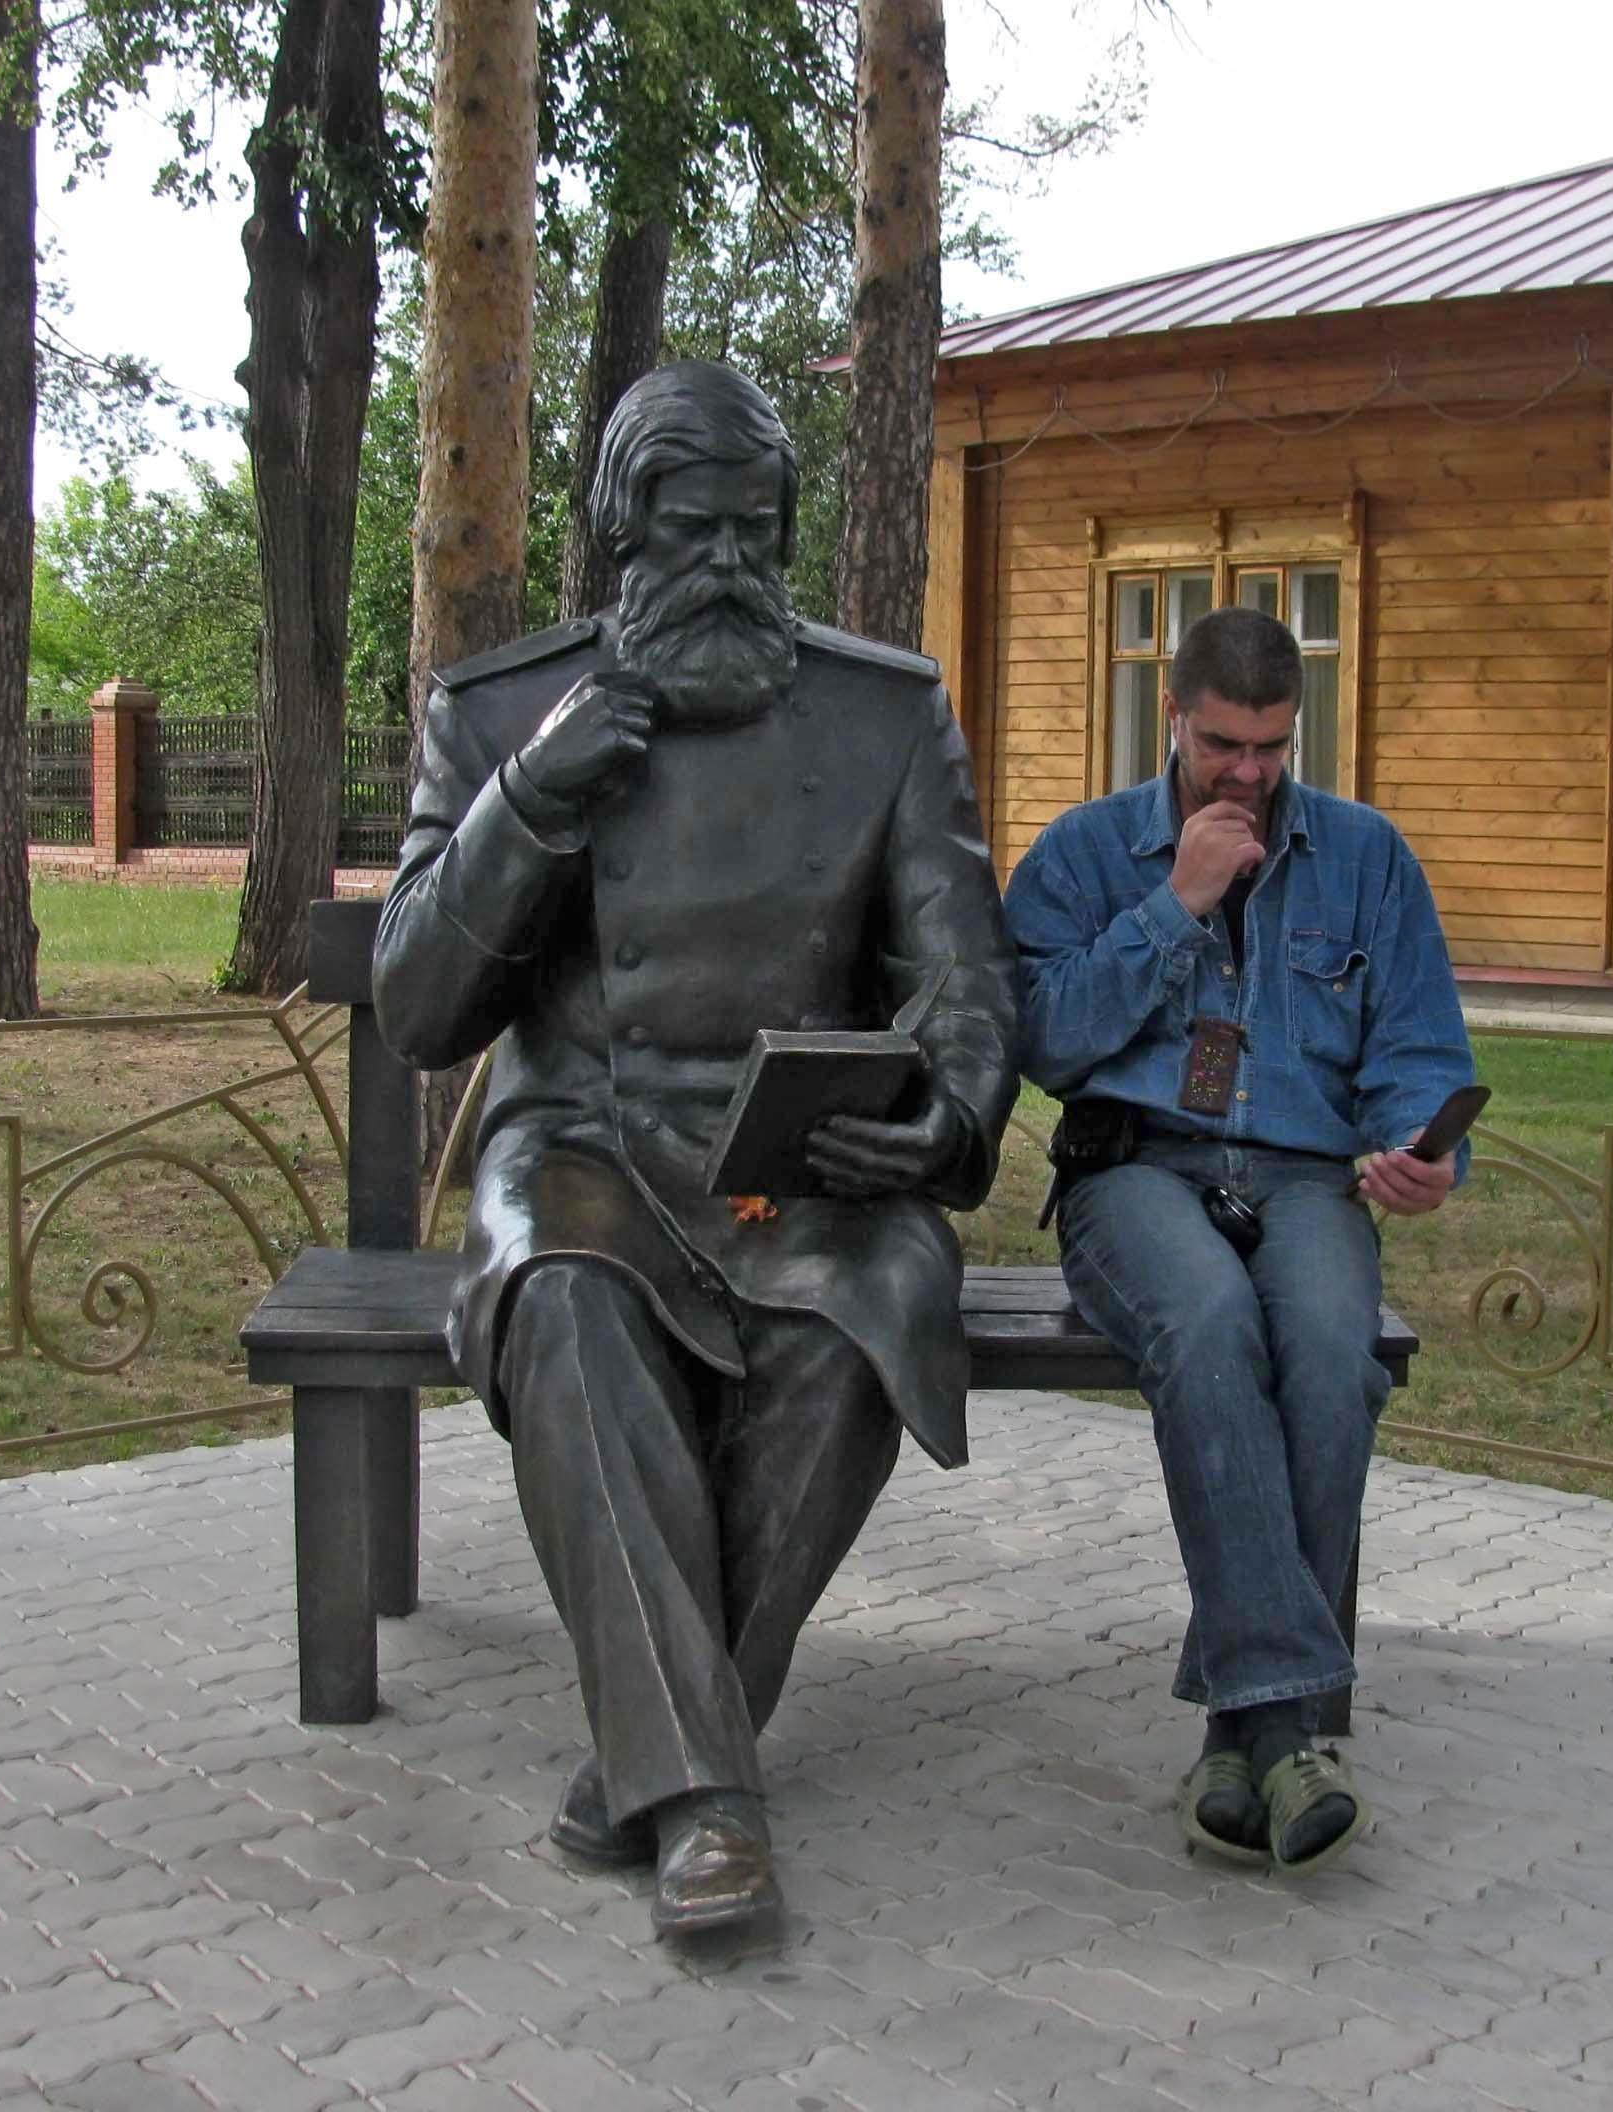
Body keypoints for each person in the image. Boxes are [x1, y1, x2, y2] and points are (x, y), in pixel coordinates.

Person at [372, 362, 1018, 1941]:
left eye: (754, 531)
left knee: (869, 1309)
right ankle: (713, 1802)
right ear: (618, 534)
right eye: (687, 533)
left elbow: (961, 974)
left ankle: (647, 1756)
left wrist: (945, 1110)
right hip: (584, 1142)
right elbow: (415, 1007)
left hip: (803, 1162)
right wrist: (526, 807)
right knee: (570, 1302)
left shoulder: (882, 714)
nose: (725, 566)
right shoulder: (503, 713)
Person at [1001, 603, 1472, 1875]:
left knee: (1328, 1346)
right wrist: (1174, 904)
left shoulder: (1368, 859)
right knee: (1207, 1324)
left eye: (1271, 746)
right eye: (1223, 745)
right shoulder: (1087, 852)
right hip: (1133, 1172)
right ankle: (1296, 1721)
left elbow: (1418, 1050)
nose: (1249, 774)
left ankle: (1244, 1734)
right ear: (1173, 716)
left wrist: (1424, 1152)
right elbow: (1038, 1040)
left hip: (1307, 1179)